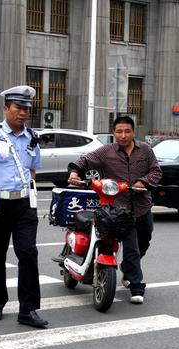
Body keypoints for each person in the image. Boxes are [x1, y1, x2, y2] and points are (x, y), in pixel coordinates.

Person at [66, 115, 162, 304]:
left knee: (144, 242)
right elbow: (86, 160)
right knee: (132, 247)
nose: (123, 135)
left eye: (127, 131)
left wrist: (144, 182)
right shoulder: (106, 151)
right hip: (119, 210)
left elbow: (156, 171)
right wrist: (75, 171)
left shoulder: (146, 151)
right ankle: (136, 285)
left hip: (142, 207)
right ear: (113, 133)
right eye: (119, 131)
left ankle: (127, 267)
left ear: (134, 132)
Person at [0, 85, 48, 328]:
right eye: (18, 107)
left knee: (28, 253)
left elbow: (32, 169)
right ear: (6, 108)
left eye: (26, 108)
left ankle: (28, 310)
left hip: (24, 205)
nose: (23, 112)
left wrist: (32, 194)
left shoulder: (32, 137)